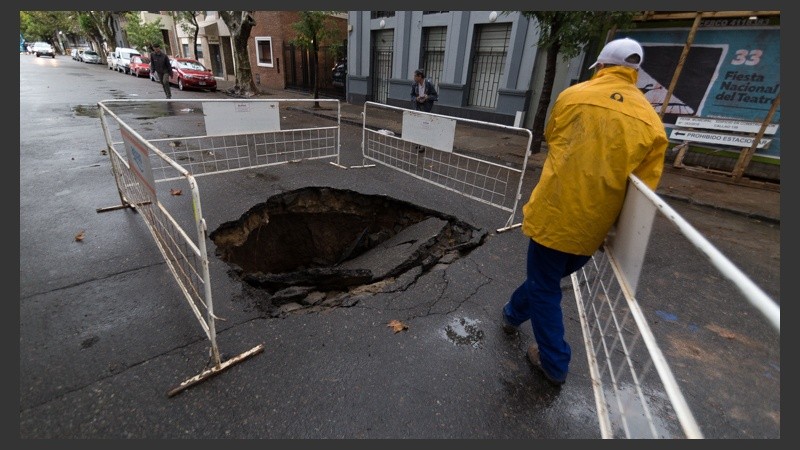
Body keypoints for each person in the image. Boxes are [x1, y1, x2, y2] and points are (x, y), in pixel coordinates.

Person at [501, 37, 669, 387]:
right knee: (546, 279)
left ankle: (554, 361)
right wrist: (617, 236)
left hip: (555, 212)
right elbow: (644, 190)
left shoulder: (573, 96)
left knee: (545, 284)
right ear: (634, 73)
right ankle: (513, 312)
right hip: (593, 227)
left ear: (602, 67)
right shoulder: (652, 123)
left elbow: (552, 136)